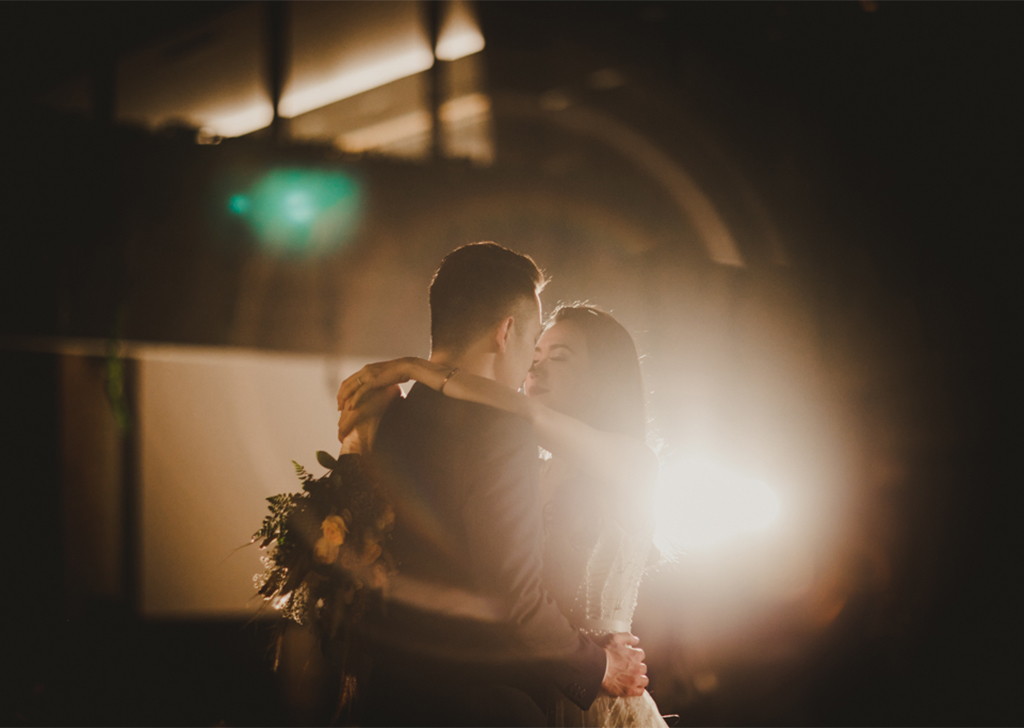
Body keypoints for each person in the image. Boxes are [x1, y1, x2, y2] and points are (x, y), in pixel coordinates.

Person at [336, 243, 649, 727]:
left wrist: (414, 367)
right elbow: (509, 589)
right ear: (509, 332)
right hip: (544, 679)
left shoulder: (629, 459)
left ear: (603, 377)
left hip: (594, 688)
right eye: (536, 348)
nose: (533, 366)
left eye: (558, 356)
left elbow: (520, 411)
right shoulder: (513, 444)